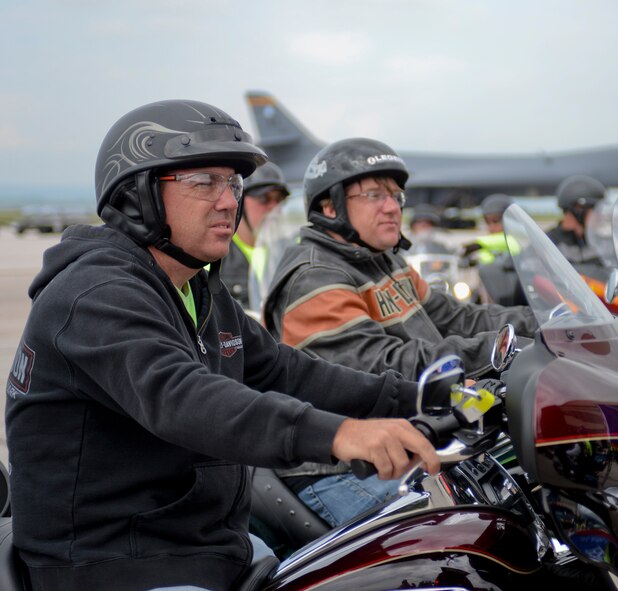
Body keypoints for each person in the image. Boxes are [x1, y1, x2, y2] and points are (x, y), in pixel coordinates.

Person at [4, 100, 439, 591]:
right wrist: (341, 435)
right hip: (115, 564)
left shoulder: (195, 288)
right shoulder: (95, 294)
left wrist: (422, 397)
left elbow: (287, 371)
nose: (229, 201)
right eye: (204, 182)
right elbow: (184, 398)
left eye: (233, 183)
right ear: (135, 197)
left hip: (202, 546)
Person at [262, 138, 537, 525]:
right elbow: (385, 366)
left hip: (412, 437)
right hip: (343, 468)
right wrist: (501, 348)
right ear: (330, 206)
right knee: (470, 531)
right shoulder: (315, 278)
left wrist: (548, 318)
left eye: (395, 194)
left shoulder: (384, 261)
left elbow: (458, 318)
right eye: (374, 194)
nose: (392, 206)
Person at [221, 160, 290, 309]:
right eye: (264, 199)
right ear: (239, 201)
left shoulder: (291, 249)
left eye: (279, 200)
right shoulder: (217, 255)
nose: (274, 208)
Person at [546, 175, 606, 264]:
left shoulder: (600, 243)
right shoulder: (547, 243)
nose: (600, 216)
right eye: (596, 210)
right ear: (578, 210)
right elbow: (527, 269)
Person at [462, 193, 513, 265]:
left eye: (496, 221)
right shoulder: (488, 247)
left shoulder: (518, 240)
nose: (491, 228)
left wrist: (478, 244)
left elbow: (511, 242)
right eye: (487, 222)